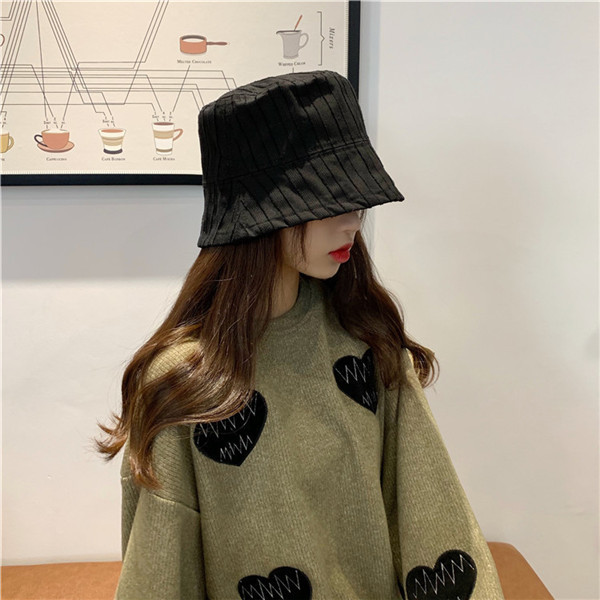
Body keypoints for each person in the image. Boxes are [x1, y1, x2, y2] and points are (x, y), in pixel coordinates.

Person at [94, 70, 505, 600]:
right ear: (261, 217)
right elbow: (160, 571)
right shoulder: (185, 384)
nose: (353, 221)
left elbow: (433, 515)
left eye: (356, 201)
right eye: (327, 202)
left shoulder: (366, 346)